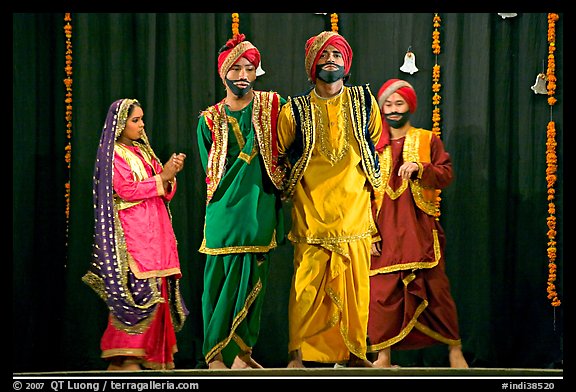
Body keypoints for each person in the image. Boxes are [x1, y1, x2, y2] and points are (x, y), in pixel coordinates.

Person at [276, 31, 383, 368]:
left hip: (354, 213)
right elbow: (279, 155)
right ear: (312, 65)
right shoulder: (295, 110)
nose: (331, 61)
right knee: (306, 288)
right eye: (324, 56)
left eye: (337, 55)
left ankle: (355, 354)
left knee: (356, 289)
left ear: (346, 63)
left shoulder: (365, 101)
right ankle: (298, 355)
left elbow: (377, 148)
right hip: (312, 213)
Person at [196, 33, 286, 370]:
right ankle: (215, 355)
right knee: (220, 282)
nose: (243, 75)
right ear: (223, 74)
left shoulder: (273, 106)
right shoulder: (208, 119)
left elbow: (288, 147)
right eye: (236, 69)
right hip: (223, 211)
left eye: (249, 68)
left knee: (254, 282)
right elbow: (210, 172)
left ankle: (243, 355)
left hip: (258, 206)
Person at [367, 78, 469, 368]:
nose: (393, 109)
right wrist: (370, 231)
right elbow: (361, 189)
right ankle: (383, 356)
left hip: (419, 230)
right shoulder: (372, 145)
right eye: (388, 104)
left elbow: (445, 174)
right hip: (383, 231)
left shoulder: (427, 139)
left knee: (436, 291)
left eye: (399, 103)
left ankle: (455, 352)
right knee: (382, 293)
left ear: (410, 105)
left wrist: (422, 168)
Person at [82, 98, 188, 371]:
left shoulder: (144, 151)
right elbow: (126, 190)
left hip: (158, 231)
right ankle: (125, 357)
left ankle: (152, 356)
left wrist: (170, 174)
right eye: (135, 120)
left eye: (142, 119)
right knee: (137, 291)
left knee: (159, 289)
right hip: (134, 233)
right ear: (120, 124)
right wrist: (162, 176)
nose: (141, 125)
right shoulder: (113, 154)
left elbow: (163, 190)